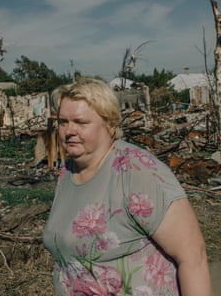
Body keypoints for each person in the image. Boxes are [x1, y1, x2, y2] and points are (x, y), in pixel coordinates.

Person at [43, 77, 212, 296]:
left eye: (81, 122)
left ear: (110, 124)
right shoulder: (68, 172)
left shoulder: (136, 172)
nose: (69, 130)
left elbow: (193, 258)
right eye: (63, 122)